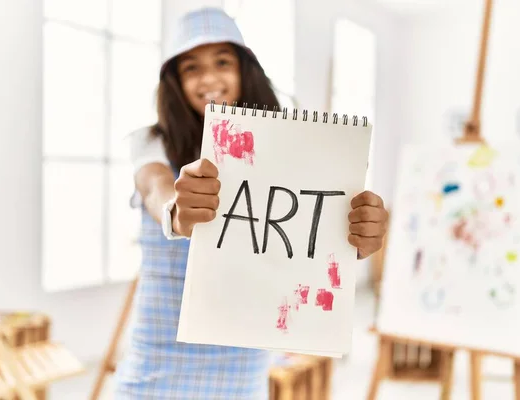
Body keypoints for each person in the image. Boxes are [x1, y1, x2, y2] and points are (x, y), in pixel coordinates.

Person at [114, 7, 389, 400]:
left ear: (246, 70)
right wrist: (177, 210)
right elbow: (155, 186)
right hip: (160, 352)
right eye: (191, 67)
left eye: (222, 62)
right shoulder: (151, 141)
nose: (208, 77)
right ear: (174, 81)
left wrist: (356, 237)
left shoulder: (280, 146)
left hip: (240, 354)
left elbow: (311, 230)